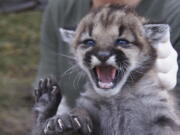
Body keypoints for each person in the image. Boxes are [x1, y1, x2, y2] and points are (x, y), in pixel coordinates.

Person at [36, 0, 179, 111]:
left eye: (123, 41)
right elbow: (45, 88)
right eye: (89, 42)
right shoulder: (61, 7)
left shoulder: (174, 12)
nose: (103, 54)